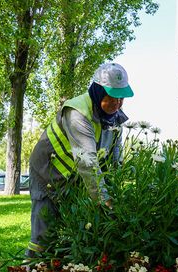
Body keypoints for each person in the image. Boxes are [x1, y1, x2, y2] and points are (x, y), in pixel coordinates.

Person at [27, 62, 134, 257]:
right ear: (98, 91)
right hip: (47, 173)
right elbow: (87, 162)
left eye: (121, 99)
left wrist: (117, 189)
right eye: (112, 97)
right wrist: (104, 200)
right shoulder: (77, 113)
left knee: (75, 229)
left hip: (74, 179)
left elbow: (115, 158)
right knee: (44, 234)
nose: (117, 104)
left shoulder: (115, 117)